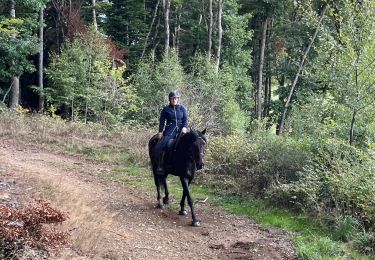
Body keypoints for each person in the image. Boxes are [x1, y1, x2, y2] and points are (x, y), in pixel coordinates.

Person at [154, 90, 188, 175]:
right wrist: (161, 132)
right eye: (172, 99)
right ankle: (161, 165)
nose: (174, 100)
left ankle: (191, 165)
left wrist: (185, 127)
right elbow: (162, 121)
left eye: (175, 98)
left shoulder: (182, 108)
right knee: (162, 145)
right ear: (170, 99)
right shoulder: (166, 109)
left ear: (178, 99)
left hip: (182, 130)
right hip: (170, 130)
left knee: (192, 142)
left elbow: (185, 120)